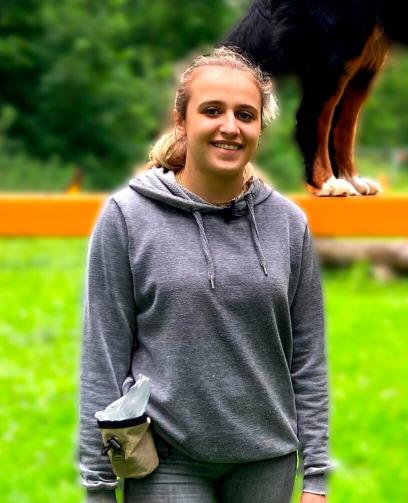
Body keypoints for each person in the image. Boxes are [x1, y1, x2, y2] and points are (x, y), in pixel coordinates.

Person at [77, 47, 330, 503]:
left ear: (260, 128)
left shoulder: (289, 224)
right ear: (182, 120)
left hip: (267, 461)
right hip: (166, 460)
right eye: (212, 110)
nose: (229, 127)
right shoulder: (127, 218)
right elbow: (104, 355)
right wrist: (98, 485)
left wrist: (316, 478)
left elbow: (308, 358)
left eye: (245, 115)